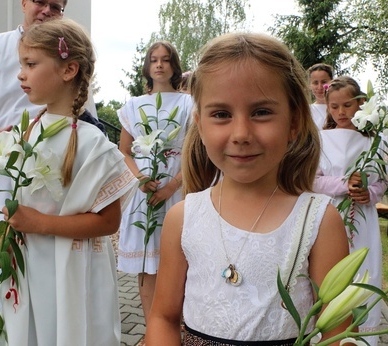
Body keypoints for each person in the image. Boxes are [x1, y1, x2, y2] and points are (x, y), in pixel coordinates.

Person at [146, 32, 350, 345]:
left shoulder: (319, 221)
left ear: (294, 122)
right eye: (221, 114)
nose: (241, 133)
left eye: (261, 112)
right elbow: (163, 317)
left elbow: (339, 330)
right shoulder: (182, 218)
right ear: (200, 125)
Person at [0, 19, 137, 345]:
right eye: (21, 64)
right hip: (30, 266)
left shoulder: (93, 144)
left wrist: (40, 223)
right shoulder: (24, 133)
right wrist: (7, 242)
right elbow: (21, 205)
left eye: (31, 64)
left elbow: (108, 222)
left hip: (75, 269)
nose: (20, 74)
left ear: (68, 70)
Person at [0, 0, 97, 326]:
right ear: (24, 3)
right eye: (40, 2)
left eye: (56, 6)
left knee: (40, 274)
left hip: (48, 181)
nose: (46, 11)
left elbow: (83, 115)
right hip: (0, 173)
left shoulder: (68, 55)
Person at [117, 41, 193, 323]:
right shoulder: (133, 106)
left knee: (177, 261)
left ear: (174, 65)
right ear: (147, 67)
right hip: (145, 192)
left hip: (177, 188)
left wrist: (172, 185)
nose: (159, 64)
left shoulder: (189, 103)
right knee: (147, 263)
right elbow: (124, 151)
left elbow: (194, 150)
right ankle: (152, 329)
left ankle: (181, 327)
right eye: (153, 60)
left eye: (165, 59)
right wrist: (139, 178)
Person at [313, 76, 388, 346]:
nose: (341, 112)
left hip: (363, 217)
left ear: (361, 104)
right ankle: (325, 333)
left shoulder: (374, 141)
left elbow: (382, 181)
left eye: (347, 105)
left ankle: (361, 337)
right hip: (329, 214)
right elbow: (312, 180)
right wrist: (344, 184)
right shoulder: (319, 139)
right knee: (329, 271)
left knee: (363, 270)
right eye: (334, 107)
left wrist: (369, 193)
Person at [307, 63, 334, 130]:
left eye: (324, 82)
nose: (320, 87)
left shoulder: (340, 108)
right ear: (310, 85)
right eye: (315, 83)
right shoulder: (307, 111)